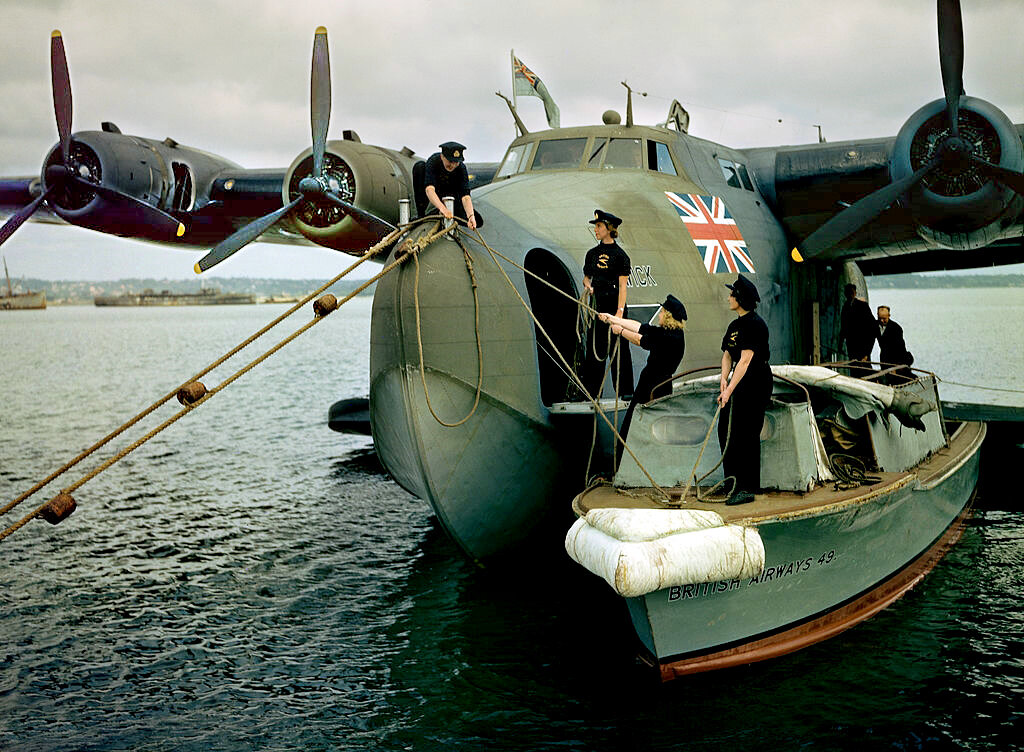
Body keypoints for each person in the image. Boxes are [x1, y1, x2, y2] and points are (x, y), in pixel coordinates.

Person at [598, 294, 687, 440]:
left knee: (638, 425)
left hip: (653, 387)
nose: (660, 315)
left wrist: (620, 331)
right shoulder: (672, 334)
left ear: (668, 316)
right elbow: (639, 327)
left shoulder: (669, 337)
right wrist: (612, 319)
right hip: (657, 385)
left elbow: (639, 340)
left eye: (662, 312)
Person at [718, 275, 772, 506]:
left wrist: (729, 390)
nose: (729, 297)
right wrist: (723, 381)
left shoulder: (755, 325)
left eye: (732, 294)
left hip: (755, 383)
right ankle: (731, 480)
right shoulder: (734, 325)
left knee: (747, 433)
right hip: (737, 383)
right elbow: (728, 355)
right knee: (725, 429)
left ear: (740, 299)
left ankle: (747, 487)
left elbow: (746, 360)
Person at [581, 209, 633, 397]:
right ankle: (592, 392)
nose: (595, 229)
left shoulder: (621, 256)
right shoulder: (591, 254)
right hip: (597, 304)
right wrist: (589, 287)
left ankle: (625, 391)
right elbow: (587, 278)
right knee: (596, 347)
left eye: (599, 226)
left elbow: (622, 286)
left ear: (609, 228)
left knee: (619, 350)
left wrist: (619, 313)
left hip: (614, 303)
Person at [420, 141, 477, 229]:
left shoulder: (461, 168)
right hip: (435, 194)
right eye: (450, 161)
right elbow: (429, 189)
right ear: (442, 156)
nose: (453, 165)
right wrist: (443, 209)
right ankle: (421, 214)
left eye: (456, 162)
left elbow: (465, 196)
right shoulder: (433, 162)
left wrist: (471, 216)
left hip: (453, 195)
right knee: (419, 167)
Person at [839, 283, 876, 367]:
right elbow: (843, 327)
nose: (850, 295)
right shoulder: (845, 307)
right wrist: (840, 343)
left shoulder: (863, 306)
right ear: (845, 294)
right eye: (848, 292)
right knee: (854, 366)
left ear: (855, 293)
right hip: (851, 343)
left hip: (862, 343)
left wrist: (867, 351)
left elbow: (872, 326)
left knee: (865, 367)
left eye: (851, 292)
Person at [876, 305, 914, 382]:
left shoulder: (896, 328)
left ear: (889, 316)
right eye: (880, 318)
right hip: (884, 359)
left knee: (898, 379)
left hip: (897, 359)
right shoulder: (875, 325)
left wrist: (895, 367)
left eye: (884, 319)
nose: (882, 321)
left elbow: (900, 349)